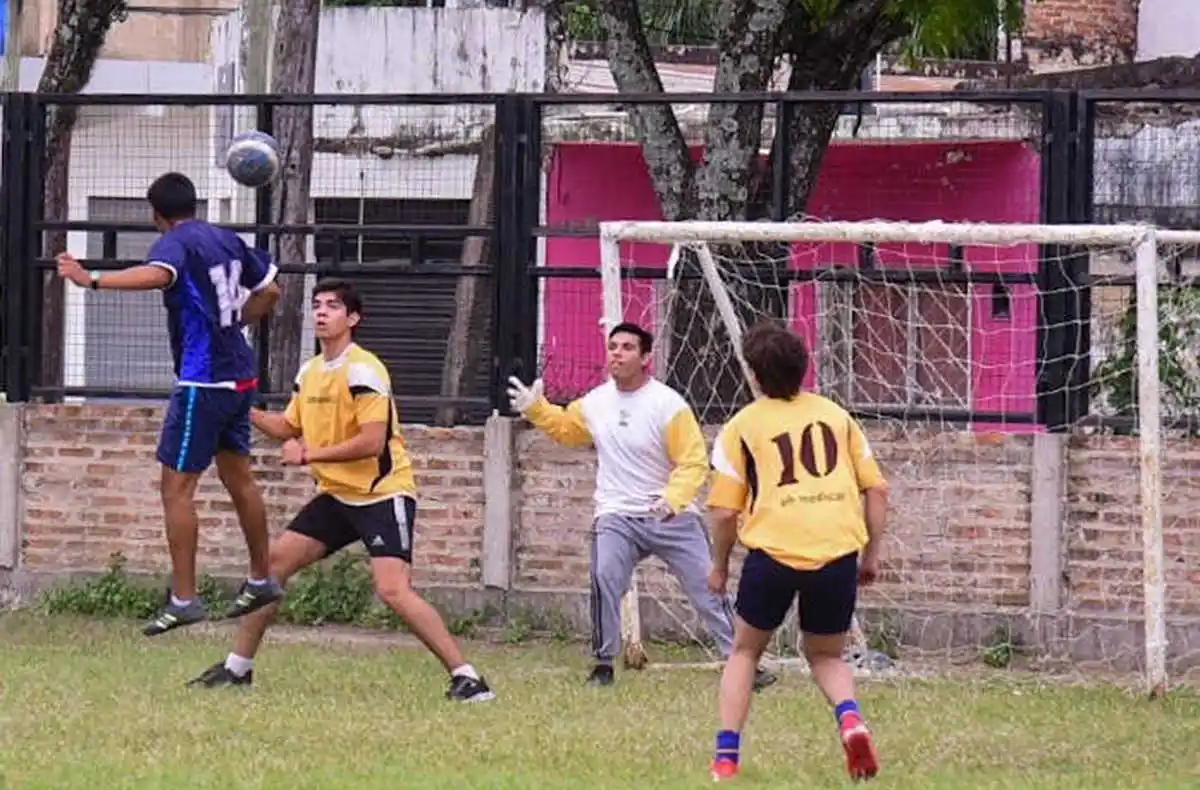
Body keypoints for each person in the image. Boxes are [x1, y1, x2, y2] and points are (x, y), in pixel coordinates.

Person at [187, 278, 495, 703]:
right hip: (337, 495)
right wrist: (242, 408)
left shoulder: (364, 369)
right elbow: (288, 428)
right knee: (270, 569)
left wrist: (309, 455)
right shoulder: (310, 371)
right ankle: (238, 669)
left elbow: (371, 441)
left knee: (393, 590)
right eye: (317, 304)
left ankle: (468, 678)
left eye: (332, 306)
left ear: (352, 318)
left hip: (381, 492)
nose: (321, 312)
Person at [55, 172, 283, 636]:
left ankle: (184, 598)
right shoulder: (226, 238)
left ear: (155, 214)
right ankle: (261, 577)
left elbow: (159, 275)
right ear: (194, 204)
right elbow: (271, 291)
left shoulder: (175, 243)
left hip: (203, 381)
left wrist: (90, 278)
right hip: (240, 376)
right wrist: (239, 323)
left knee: (175, 490)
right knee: (238, 476)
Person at [508, 322, 776, 691]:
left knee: (708, 587)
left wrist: (674, 497)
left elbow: (694, 460)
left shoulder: (668, 405)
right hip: (616, 514)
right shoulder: (596, 402)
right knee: (604, 577)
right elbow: (570, 430)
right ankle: (603, 664)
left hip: (670, 514)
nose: (617, 353)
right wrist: (536, 409)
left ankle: (745, 665)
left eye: (627, 347)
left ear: (645, 357)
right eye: (613, 346)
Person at [706, 320, 888, 782]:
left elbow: (725, 513)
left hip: (775, 552)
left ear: (754, 375)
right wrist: (870, 556)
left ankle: (726, 759)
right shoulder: (836, 415)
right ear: (805, 367)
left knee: (745, 652)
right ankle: (850, 719)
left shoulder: (741, 427)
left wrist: (719, 566)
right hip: (837, 551)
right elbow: (877, 492)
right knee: (828, 656)